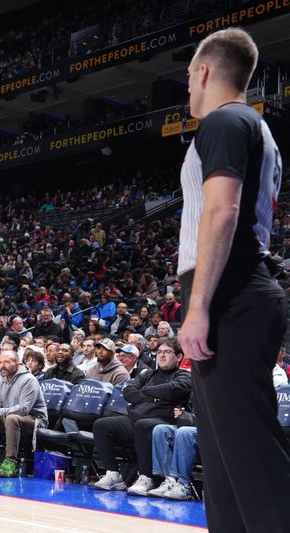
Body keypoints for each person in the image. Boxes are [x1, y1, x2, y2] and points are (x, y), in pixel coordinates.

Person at [177, 27, 290, 533]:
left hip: (231, 292)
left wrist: (199, 304)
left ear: (203, 72)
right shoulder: (256, 127)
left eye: (187, 78)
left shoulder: (224, 120)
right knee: (224, 460)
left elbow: (222, 212)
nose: (187, 89)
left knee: (248, 454)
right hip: (242, 287)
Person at [93, 337, 191, 494]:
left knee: (143, 425)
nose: (162, 355)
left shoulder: (184, 376)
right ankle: (113, 474)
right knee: (102, 424)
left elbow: (173, 389)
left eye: (167, 352)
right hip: (135, 418)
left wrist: (144, 392)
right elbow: (128, 392)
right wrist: (156, 397)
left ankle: (147, 477)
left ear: (179, 357)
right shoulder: (148, 374)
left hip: (162, 422)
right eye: (159, 352)